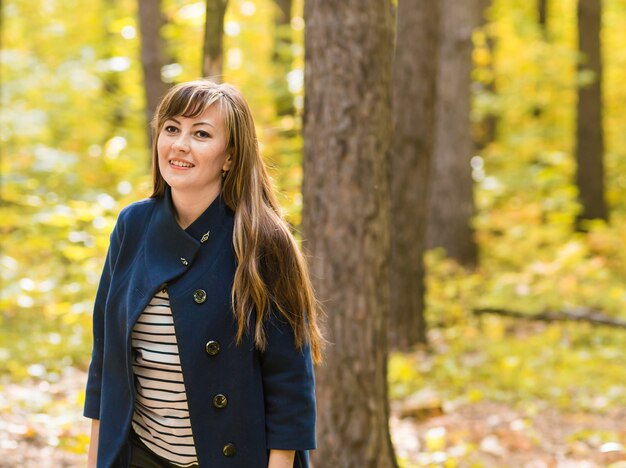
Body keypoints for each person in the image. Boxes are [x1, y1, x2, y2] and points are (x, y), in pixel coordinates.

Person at [84, 80, 323, 468]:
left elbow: (290, 386)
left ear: (230, 156)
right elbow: (105, 365)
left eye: (201, 134)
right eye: (172, 128)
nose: (180, 144)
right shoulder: (132, 226)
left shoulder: (263, 240)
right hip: (141, 456)